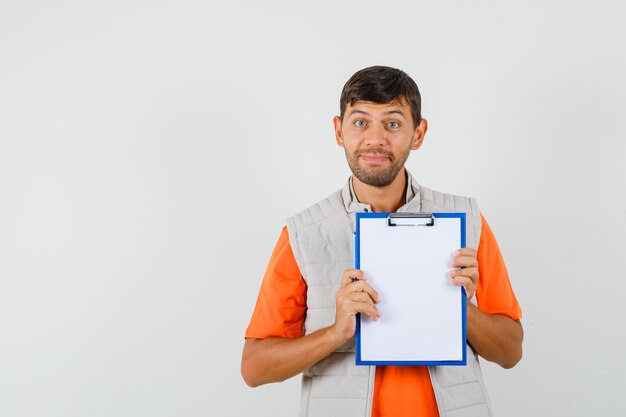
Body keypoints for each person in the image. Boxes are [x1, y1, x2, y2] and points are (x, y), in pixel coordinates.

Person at [241, 65, 523, 417]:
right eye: (360, 122)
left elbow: (511, 352)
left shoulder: (466, 221)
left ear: (418, 133)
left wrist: (459, 309)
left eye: (392, 123)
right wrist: (336, 332)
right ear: (338, 131)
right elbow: (254, 368)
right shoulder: (304, 233)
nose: (375, 139)